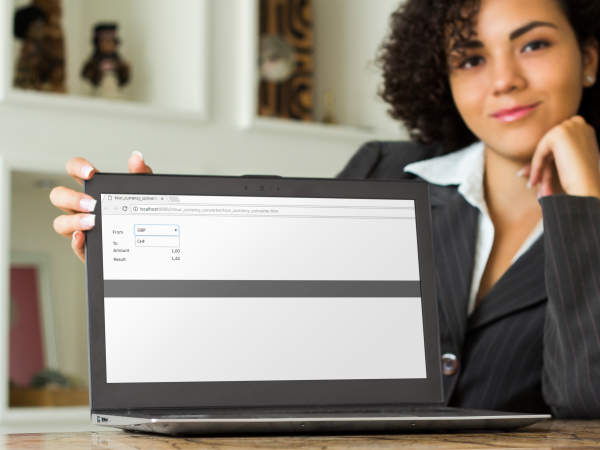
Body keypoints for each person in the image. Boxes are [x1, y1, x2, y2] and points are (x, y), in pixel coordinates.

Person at [50, 0, 600, 418]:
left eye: (532, 46)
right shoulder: (386, 171)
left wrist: (583, 209)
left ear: (590, 59)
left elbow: (585, 405)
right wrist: (151, 261)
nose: (503, 80)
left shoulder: (591, 214)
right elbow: (271, 339)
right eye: (471, 58)